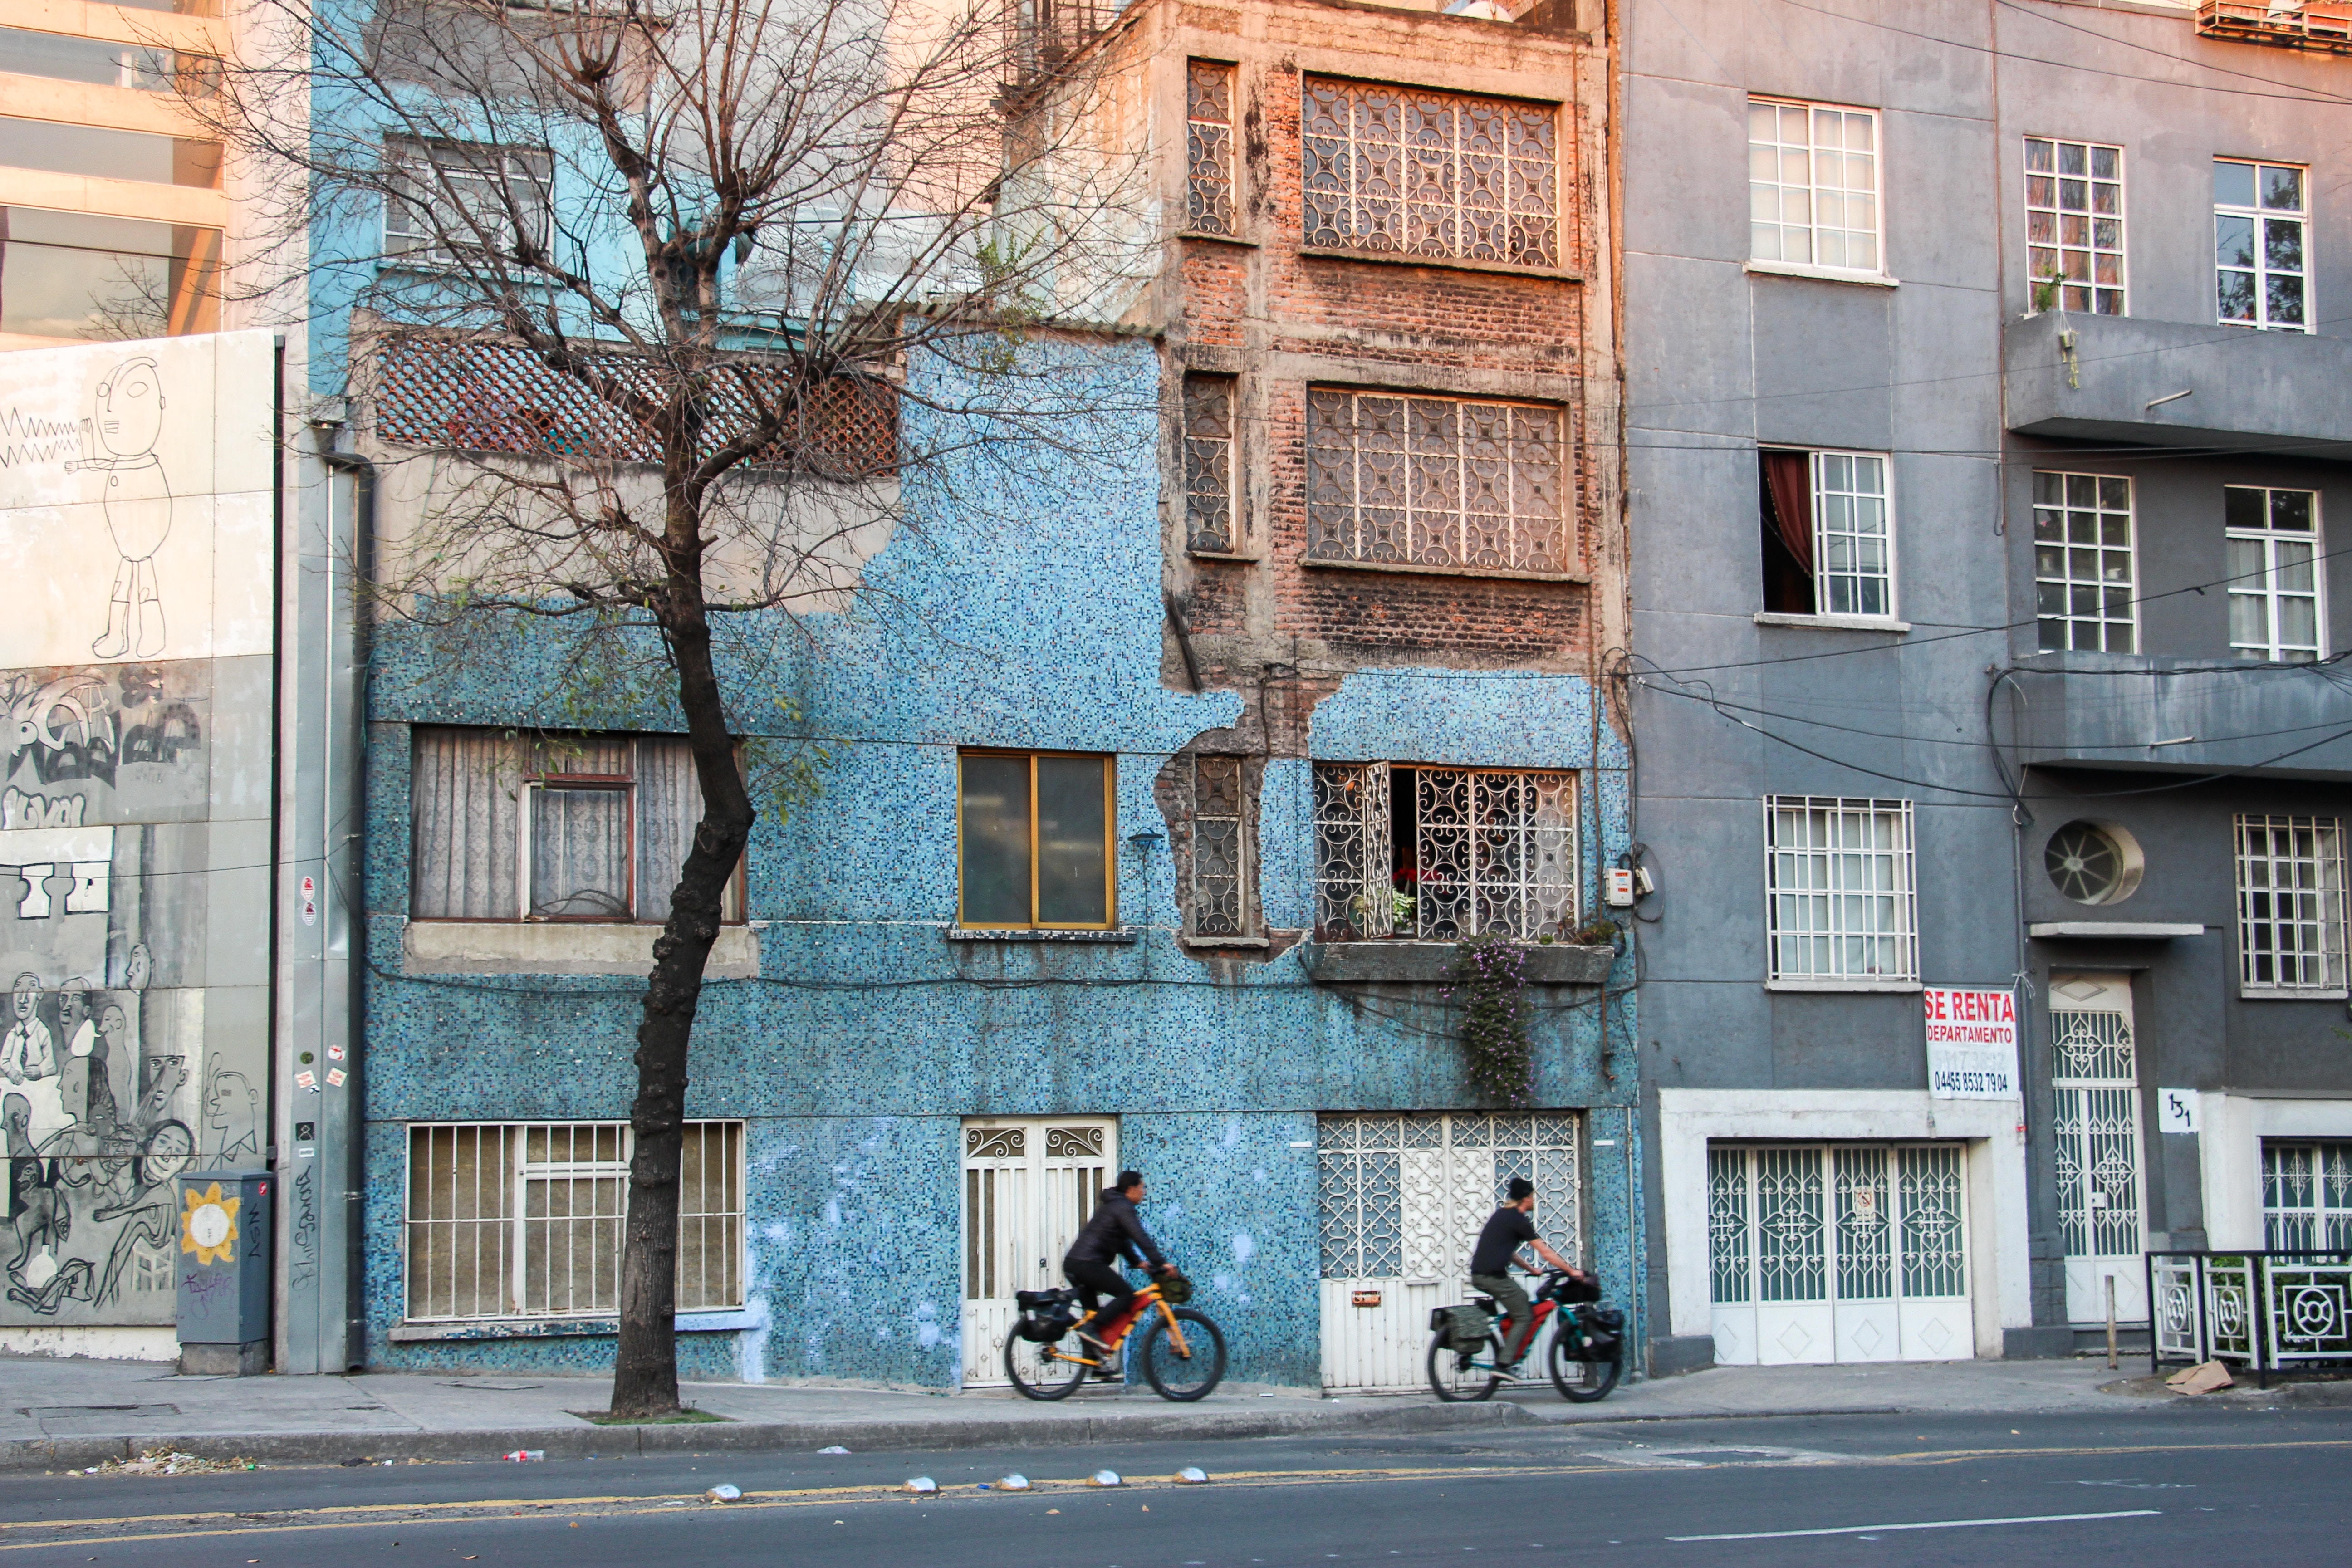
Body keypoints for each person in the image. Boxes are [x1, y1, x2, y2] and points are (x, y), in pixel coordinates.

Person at [1468, 1176, 1590, 1372]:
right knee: (1525, 1316)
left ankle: (1508, 1346)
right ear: (1526, 1198)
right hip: (1490, 1276)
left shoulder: (1502, 1215)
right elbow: (1546, 1253)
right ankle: (1505, 1364)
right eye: (1532, 1196)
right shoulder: (1518, 1219)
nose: (1534, 1200)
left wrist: (1531, 1270)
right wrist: (1571, 1271)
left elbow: (1508, 1251)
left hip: (1482, 1274)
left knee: (1521, 1299)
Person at [1062, 1170, 1171, 1369]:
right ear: (1131, 1189)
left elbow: (1121, 1241)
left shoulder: (1115, 1206)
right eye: (1142, 1187)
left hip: (1078, 1263)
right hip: (1087, 1263)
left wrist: (1139, 1263)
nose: (1144, 1192)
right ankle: (1090, 1329)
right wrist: (1161, 1262)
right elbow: (1140, 1237)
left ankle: (1095, 1366)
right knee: (1126, 1295)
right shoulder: (1123, 1207)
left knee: (1094, 1314)